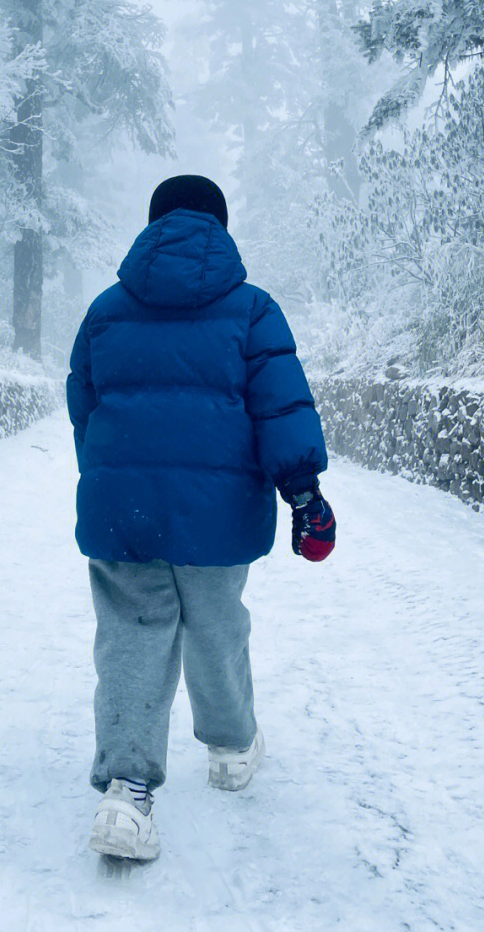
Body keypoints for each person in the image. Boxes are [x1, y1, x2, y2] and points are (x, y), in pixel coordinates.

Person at [66, 174, 335, 862]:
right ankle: (230, 748)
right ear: (219, 227)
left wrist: (108, 477)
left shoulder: (105, 310)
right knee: (217, 626)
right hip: (219, 516)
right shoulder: (252, 310)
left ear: (152, 226)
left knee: (131, 636)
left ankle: (126, 794)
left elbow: (85, 406)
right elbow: (281, 405)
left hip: (123, 509)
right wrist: (304, 494)